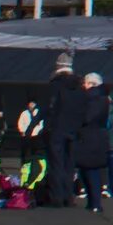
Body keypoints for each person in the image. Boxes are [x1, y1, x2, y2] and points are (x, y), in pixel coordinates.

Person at [69, 71, 113, 214]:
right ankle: (93, 202)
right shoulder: (102, 98)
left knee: (90, 170)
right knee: (88, 170)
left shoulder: (93, 99)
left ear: (90, 84)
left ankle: (95, 203)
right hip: (96, 138)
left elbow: (87, 117)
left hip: (90, 138)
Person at [43, 65, 80, 207]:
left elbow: (48, 108)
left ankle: (56, 197)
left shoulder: (55, 86)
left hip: (57, 130)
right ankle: (68, 196)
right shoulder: (78, 88)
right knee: (69, 165)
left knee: (56, 164)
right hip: (73, 130)